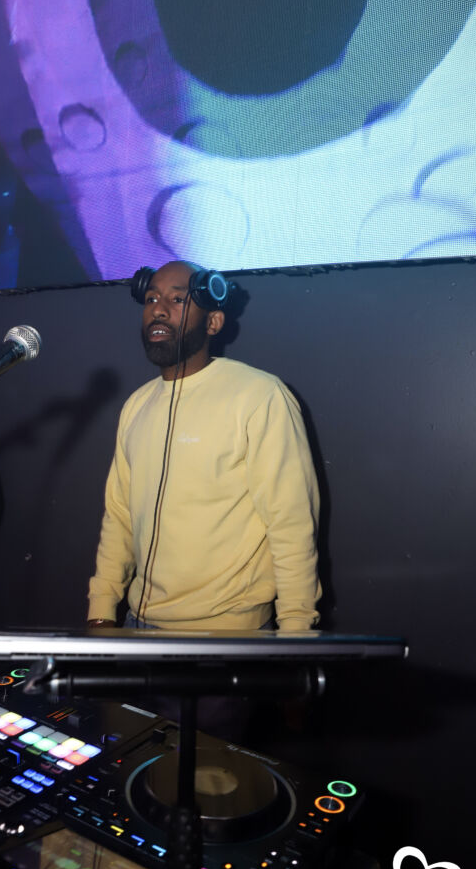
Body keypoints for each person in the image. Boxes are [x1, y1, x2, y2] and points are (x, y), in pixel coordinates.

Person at [87, 260, 321, 635]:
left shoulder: (259, 396)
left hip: (231, 636)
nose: (158, 309)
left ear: (213, 322)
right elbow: (119, 519)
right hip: (138, 628)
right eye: (152, 298)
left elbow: (291, 524)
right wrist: (101, 612)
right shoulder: (136, 406)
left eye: (177, 299)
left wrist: (296, 633)